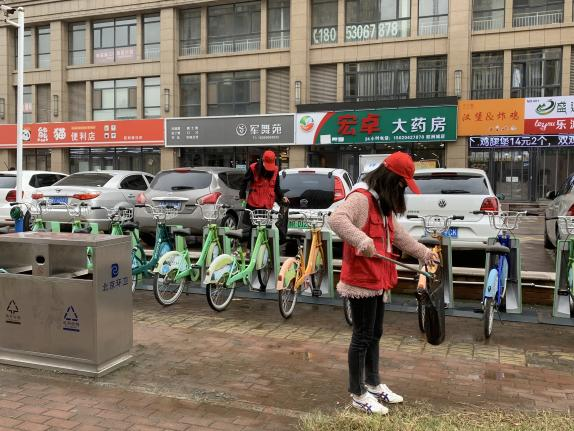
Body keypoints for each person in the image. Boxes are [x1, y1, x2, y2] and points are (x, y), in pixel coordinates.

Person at [328, 151, 438, 415]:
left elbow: (398, 236)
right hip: (361, 280)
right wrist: (361, 239)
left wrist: (424, 253)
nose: (402, 192)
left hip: (378, 279)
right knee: (362, 336)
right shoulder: (361, 198)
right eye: (402, 186)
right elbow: (336, 219)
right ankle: (358, 393)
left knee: (374, 333)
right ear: (392, 180)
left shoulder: (381, 203)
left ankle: (373, 384)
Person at [239, 150, 288, 289]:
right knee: (253, 229)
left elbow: (276, 188)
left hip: (267, 205)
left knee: (266, 231)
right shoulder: (253, 168)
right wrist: (242, 196)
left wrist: (282, 197)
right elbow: (244, 182)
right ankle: (250, 252)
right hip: (253, 203)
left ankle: (266, 256)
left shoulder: (275, 171)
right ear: (263, 161)